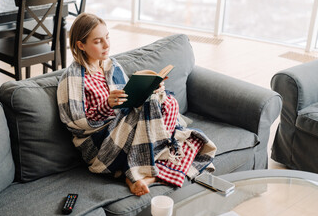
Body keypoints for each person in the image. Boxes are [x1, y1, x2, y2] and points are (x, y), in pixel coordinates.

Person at [57, 13, 216, 196]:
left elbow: (129, 100)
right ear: (81, 45)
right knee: (168, 130)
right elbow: (76, 122)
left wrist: (152, 89)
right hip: (101, 144)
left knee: (168, 102)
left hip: (126, 128)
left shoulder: (111, 65)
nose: (107, 45)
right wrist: (106, 105)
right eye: (98, 41)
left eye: (107, 37)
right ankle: (143, 171)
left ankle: (138, 174)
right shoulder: (72, 78)